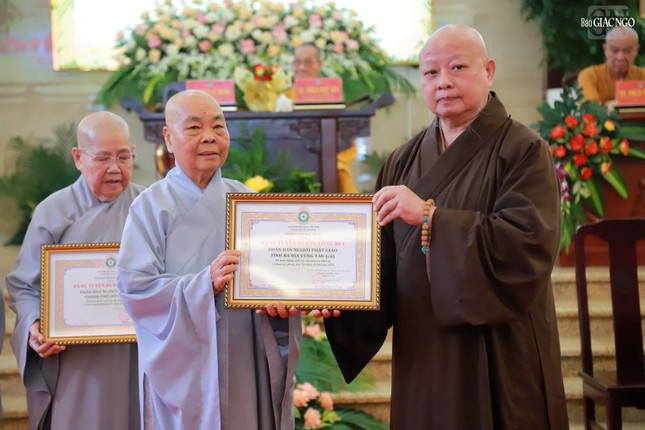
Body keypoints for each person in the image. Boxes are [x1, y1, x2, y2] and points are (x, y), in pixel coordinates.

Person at [323, 24, 569, 429]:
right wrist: (335, 293)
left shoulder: (523, 150)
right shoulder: (402, 160)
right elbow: (379, 262)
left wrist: (430, 216)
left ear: (488, 71)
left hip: (497, 347)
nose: (443, 82)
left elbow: (527, 244)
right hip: (422, 346)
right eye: (430, 72)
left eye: (457, 67)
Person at [116, 89, 301, 429]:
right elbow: (136, 289)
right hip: (184, 366)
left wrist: (284, 301)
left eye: (218, 126)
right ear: (168, 139)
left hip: (245, 355)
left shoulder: (247, 200)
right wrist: (204, 283)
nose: (209, 137)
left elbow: (276, 275)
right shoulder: (150, 206)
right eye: (194, 128)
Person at [6, 111, 144, 430]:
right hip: (76, 359)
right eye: (103, 158)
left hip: (138, 351)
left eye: (124, 156)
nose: (115, 168)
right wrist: (34, 325)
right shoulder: (53, 211)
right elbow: (25, 286)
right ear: (78, 157)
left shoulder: (148, 206)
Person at [288, 43, 359, 193]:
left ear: (319, 64)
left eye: (308, 62)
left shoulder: (330, 95)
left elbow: (346, 138)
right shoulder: (282, 98)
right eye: (297, 62)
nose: (301, 68)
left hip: (326, 162)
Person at [578, 26, 645, 109]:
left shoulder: (643, 75)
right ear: (605, 49)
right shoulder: (590, 76)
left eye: (627, 51)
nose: (620, 57)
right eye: (614, 50)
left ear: (636, 50)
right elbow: (590, 109)